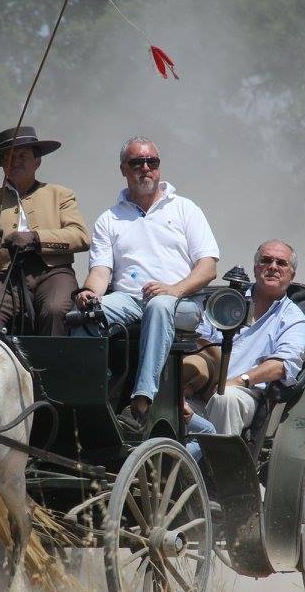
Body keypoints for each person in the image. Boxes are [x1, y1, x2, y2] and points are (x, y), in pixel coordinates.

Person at [73, 136, 219, 431]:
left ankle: (141, 402)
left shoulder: (185, 209)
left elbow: (208, 268)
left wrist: (173, 289)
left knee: (159, 306)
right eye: (137, 162)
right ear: (123, 169)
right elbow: (101, 272)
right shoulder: (109, 219)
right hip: (128, 300)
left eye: (152, 162)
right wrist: (89, 293)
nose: (145, 168)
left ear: (159, 167)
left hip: (182, 302)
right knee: (83, 315)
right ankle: (85, 400)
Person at [0, 126, 90, 336]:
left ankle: (52, 358)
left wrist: (35, 238)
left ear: (37, 161)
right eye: (8, 158)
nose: (15, 162)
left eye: (22, 155)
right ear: (2, 165)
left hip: (54, 272)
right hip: (7, 276)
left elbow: (80, 236)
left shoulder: (60, 194)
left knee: (55, 310)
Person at [180, 240, 305, 436]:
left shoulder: (293, 318)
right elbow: (198, 340)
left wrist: (239, 381)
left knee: (225, 398)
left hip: (246, 394)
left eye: (281, 263)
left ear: (292, 274)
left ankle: (217, 456)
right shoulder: (226, 300)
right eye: (266, 260)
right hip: (204, 387)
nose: (273, 267)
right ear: (256, 268)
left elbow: (282, 365)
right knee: (165, 396)